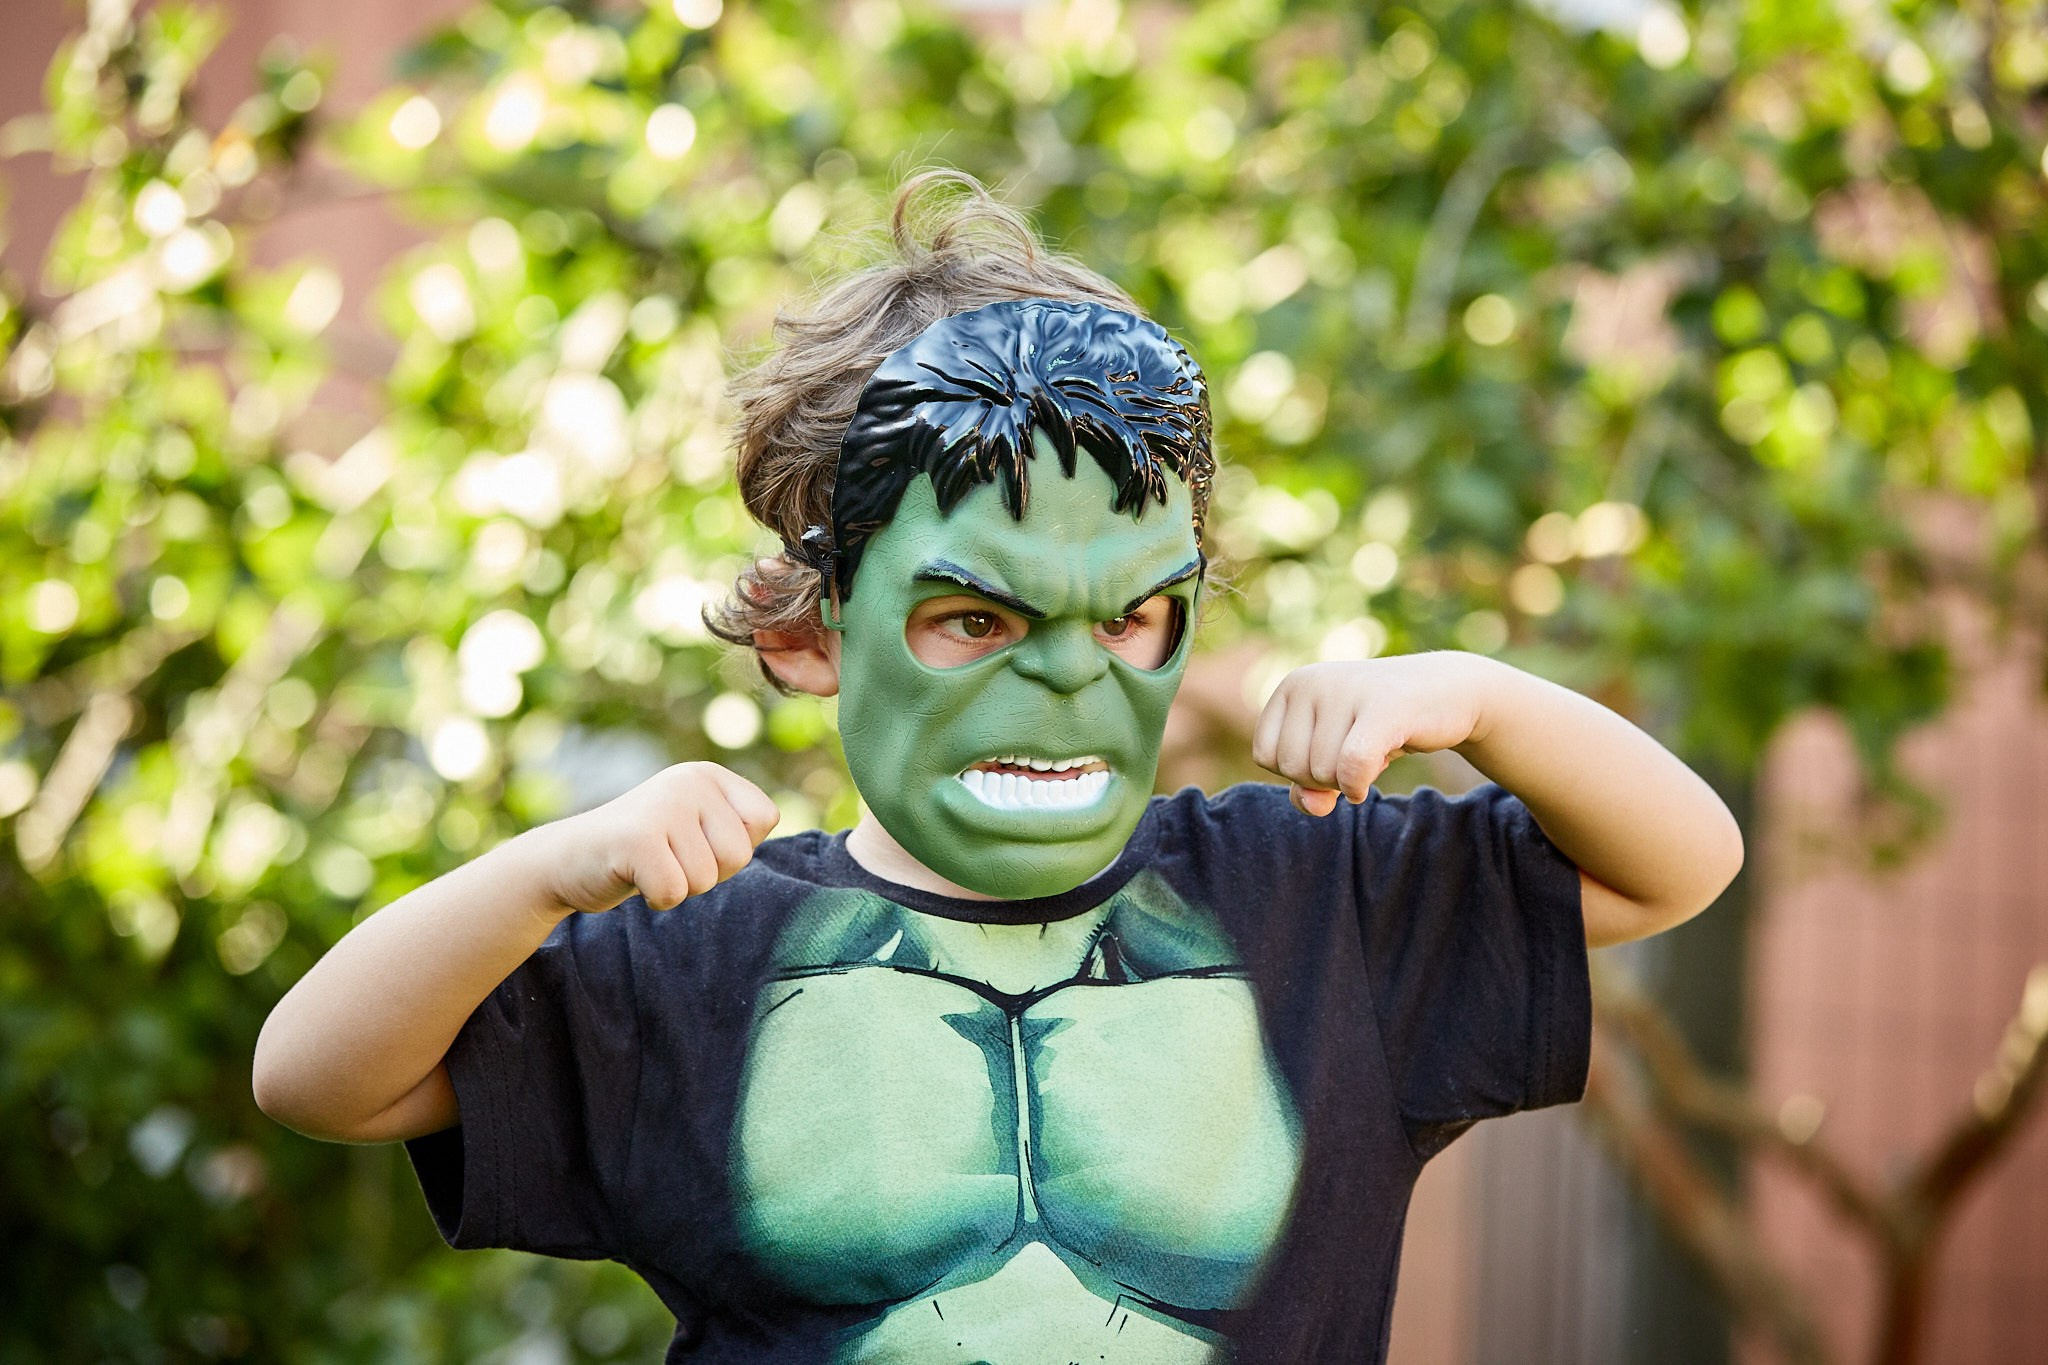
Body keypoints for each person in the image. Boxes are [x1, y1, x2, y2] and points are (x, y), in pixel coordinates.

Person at [253, 172, 1743, 1364]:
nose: (1064, 675)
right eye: (977, 614)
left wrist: (1476, 695)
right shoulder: (694, 956)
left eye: (1133, 613)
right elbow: (317, 1077)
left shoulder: (1318, 901)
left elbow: (1679, 863)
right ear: (809, 630)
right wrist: (540, 874)